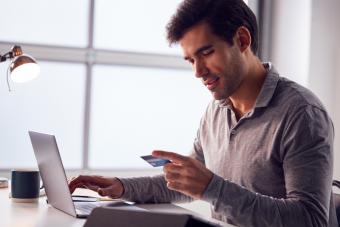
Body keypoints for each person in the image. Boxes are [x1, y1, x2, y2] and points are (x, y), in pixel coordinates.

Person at [69, 0, 338, 226]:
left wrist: (213, 188)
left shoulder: (302, 113)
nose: (198, 71)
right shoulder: (216, 110)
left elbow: (311, 220)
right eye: (191, 60)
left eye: (206, 53)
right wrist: (121, 186)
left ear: (242, 40)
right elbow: (187, 183)